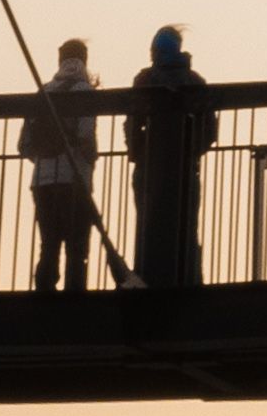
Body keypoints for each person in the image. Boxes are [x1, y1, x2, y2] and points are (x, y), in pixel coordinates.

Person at [126, 23, 216, 304]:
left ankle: (145, 284)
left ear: (155, 50)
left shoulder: (144, 81)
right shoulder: (195, 81)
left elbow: (132, 124)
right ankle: (189, 283)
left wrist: (139, 154)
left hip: (149, 171)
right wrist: (191, 153)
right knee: (187, 229)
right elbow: (209, 130)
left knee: (146, 228)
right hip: (185, 170)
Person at [22, 35, 110, 294]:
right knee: (77, 244)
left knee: (48, 243)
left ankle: (44, 293)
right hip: (75, 181)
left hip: (42, 182)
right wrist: (90, 157)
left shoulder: (44, 92)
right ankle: (74, 297)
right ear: (84, 60)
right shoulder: (84, 92)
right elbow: (85, 136)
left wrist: (45, 159)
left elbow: (24, 145)